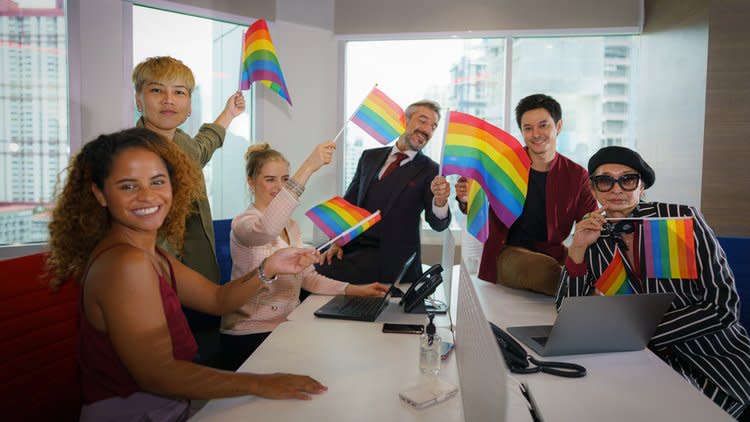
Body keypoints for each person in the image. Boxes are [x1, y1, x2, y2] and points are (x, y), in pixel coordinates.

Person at [46, 128, 327, 421]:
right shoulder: (124, 263)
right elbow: (158, 375)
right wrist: (260, 382)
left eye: (157, 181)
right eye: (128, 186)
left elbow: (218, 300)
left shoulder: (148, 253)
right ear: (100, 194)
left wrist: (267, 268)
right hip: (139, 412)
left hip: (168, 405)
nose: (147, 195)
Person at [559, 146, 750, 418]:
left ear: (642, 186)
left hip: (714, 362)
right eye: (605, 180)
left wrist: (633, 334)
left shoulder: (682, 221)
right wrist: (577, 250)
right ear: (593, 189)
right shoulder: (591, 236)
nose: (617, 189)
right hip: (638, 366)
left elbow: (723, 307)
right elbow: (567, 312)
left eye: (628, 179)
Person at [220, 142, 388, 370]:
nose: (279, 187)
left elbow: (309, 278)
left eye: (285, 179)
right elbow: (267, 229)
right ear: (251, 182)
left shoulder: (292, 226)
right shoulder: (244, 224)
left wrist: (356, 290)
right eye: (270, 179)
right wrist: (309, 166)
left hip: (288, 325)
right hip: (251, 333)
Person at [455, 94, 596, 295]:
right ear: (521, 131)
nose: (536, 134)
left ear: (558, 126)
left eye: (543, 125)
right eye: (528, 128)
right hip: (508, 252)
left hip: (555, 251)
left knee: (597, 267)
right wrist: (466, 198)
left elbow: (590, 221)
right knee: (544, 270)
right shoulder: (504, 165)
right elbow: (476, 202)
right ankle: (584, 294)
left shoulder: (576, 174)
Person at [132, 56, 246, 283]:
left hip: (196, 270)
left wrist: (229, 114)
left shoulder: (183, 144)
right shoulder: (130, 155)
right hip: (153, 274)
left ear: (190, 105)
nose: (168, 100)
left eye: (179, 92)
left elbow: (203, 147)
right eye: (157, 90)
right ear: (138, 101)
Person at [316, 100, 451, 285]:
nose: (428, 130)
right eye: (423, 121)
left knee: (316, 275)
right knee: (309, 264)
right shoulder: (368, 157)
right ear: (405, 120)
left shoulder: (430, 170)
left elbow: (438, 224)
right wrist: (337, 241)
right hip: (354, 249)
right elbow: (349, 205)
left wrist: (441, 201)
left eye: (433, 126)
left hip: (392, 262)